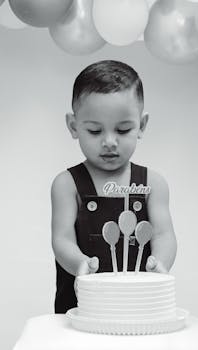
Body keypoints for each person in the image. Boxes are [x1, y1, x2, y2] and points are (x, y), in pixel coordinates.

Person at [51, 60, 177, 313]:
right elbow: (62, 238)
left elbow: (164, 234)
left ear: (141, 125)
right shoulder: (67, 184)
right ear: (74, 126)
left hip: (138, 305)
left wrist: (159, 264)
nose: (109, 142)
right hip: (80, 305)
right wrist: (80, 264)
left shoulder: (153, 183)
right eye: (95, 131)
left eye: (123, 129)